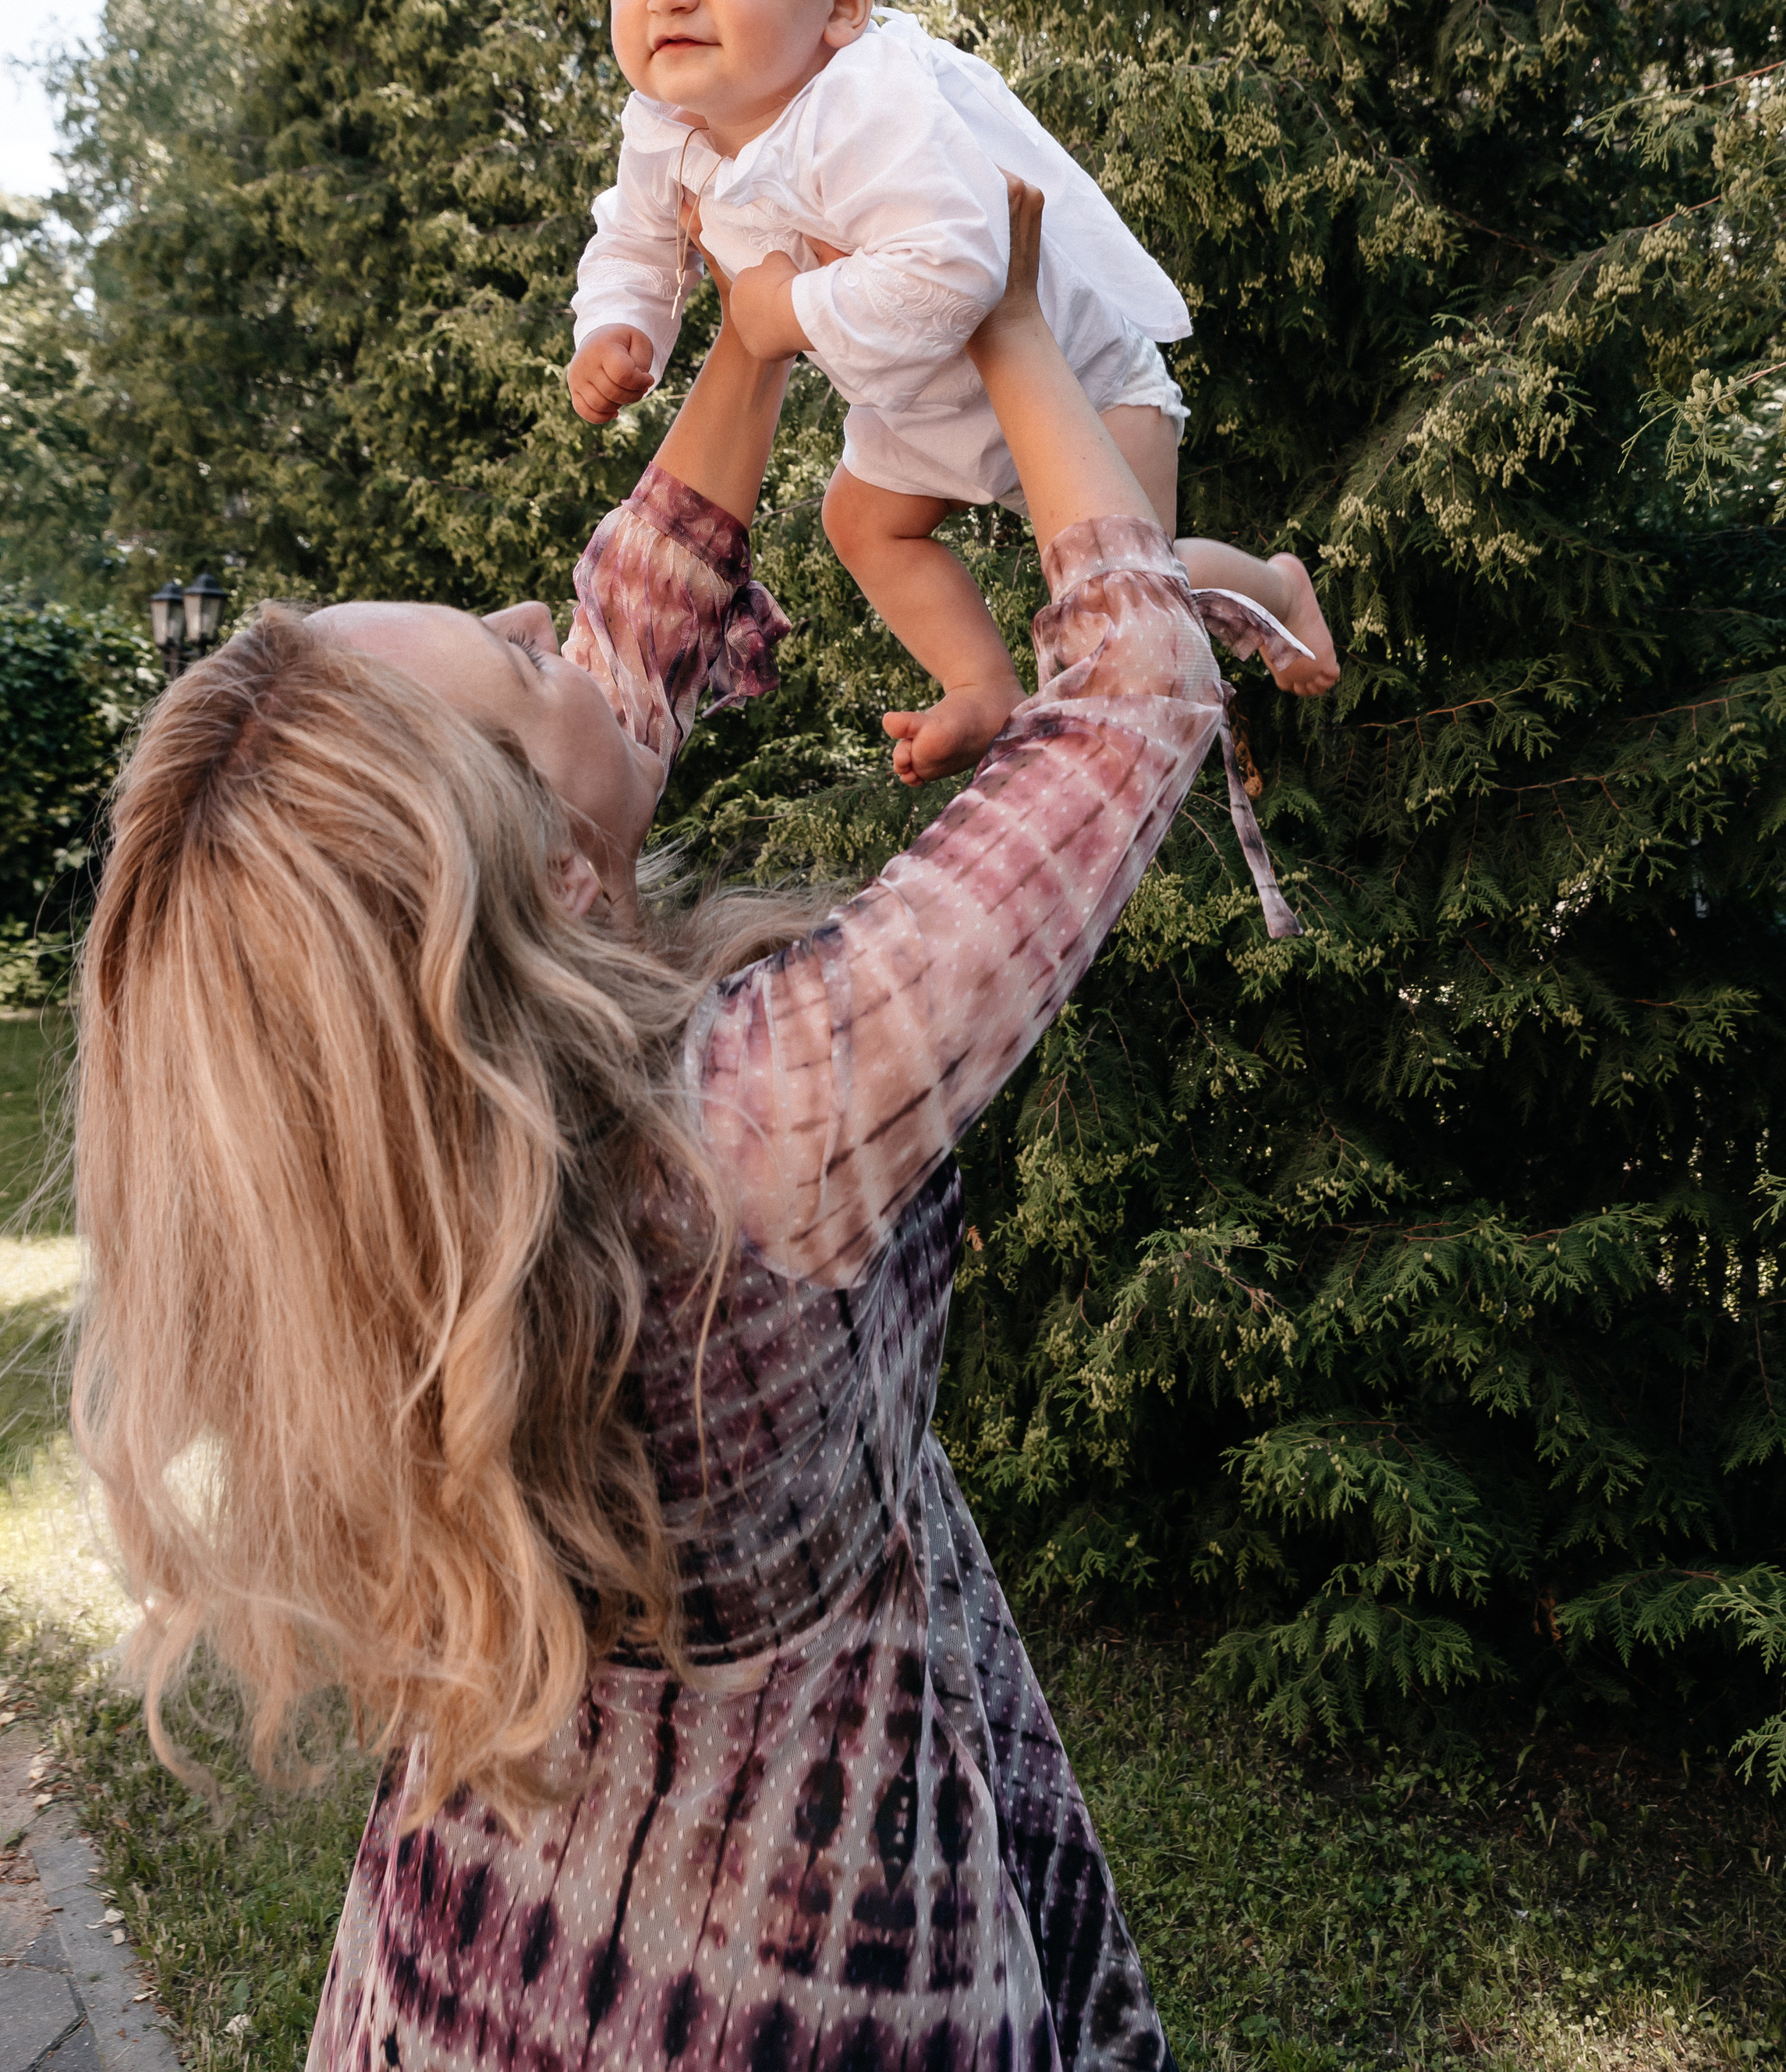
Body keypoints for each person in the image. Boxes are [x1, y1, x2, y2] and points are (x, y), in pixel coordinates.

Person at [73, 184, 1328, 2072]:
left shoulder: (407, 1159)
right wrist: (998, 311)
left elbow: (629, 639)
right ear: (554, 887)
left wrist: (748, 345)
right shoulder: (752, 1130)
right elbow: (1130, 712)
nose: (544, 617)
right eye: (515, 661)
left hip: (477, 1950)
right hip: (782, 1956)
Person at [569, 0, 1341, 785]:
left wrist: (785, 310)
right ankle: (980, 684)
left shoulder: (869, 104)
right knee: (860, 523)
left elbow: (958, 273)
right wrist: (618, 325)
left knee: (1137, 600)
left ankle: (1276, 589)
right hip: (922, 410)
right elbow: (634, 241)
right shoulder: (666, 127)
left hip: (1079, 389)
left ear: (843, 2)